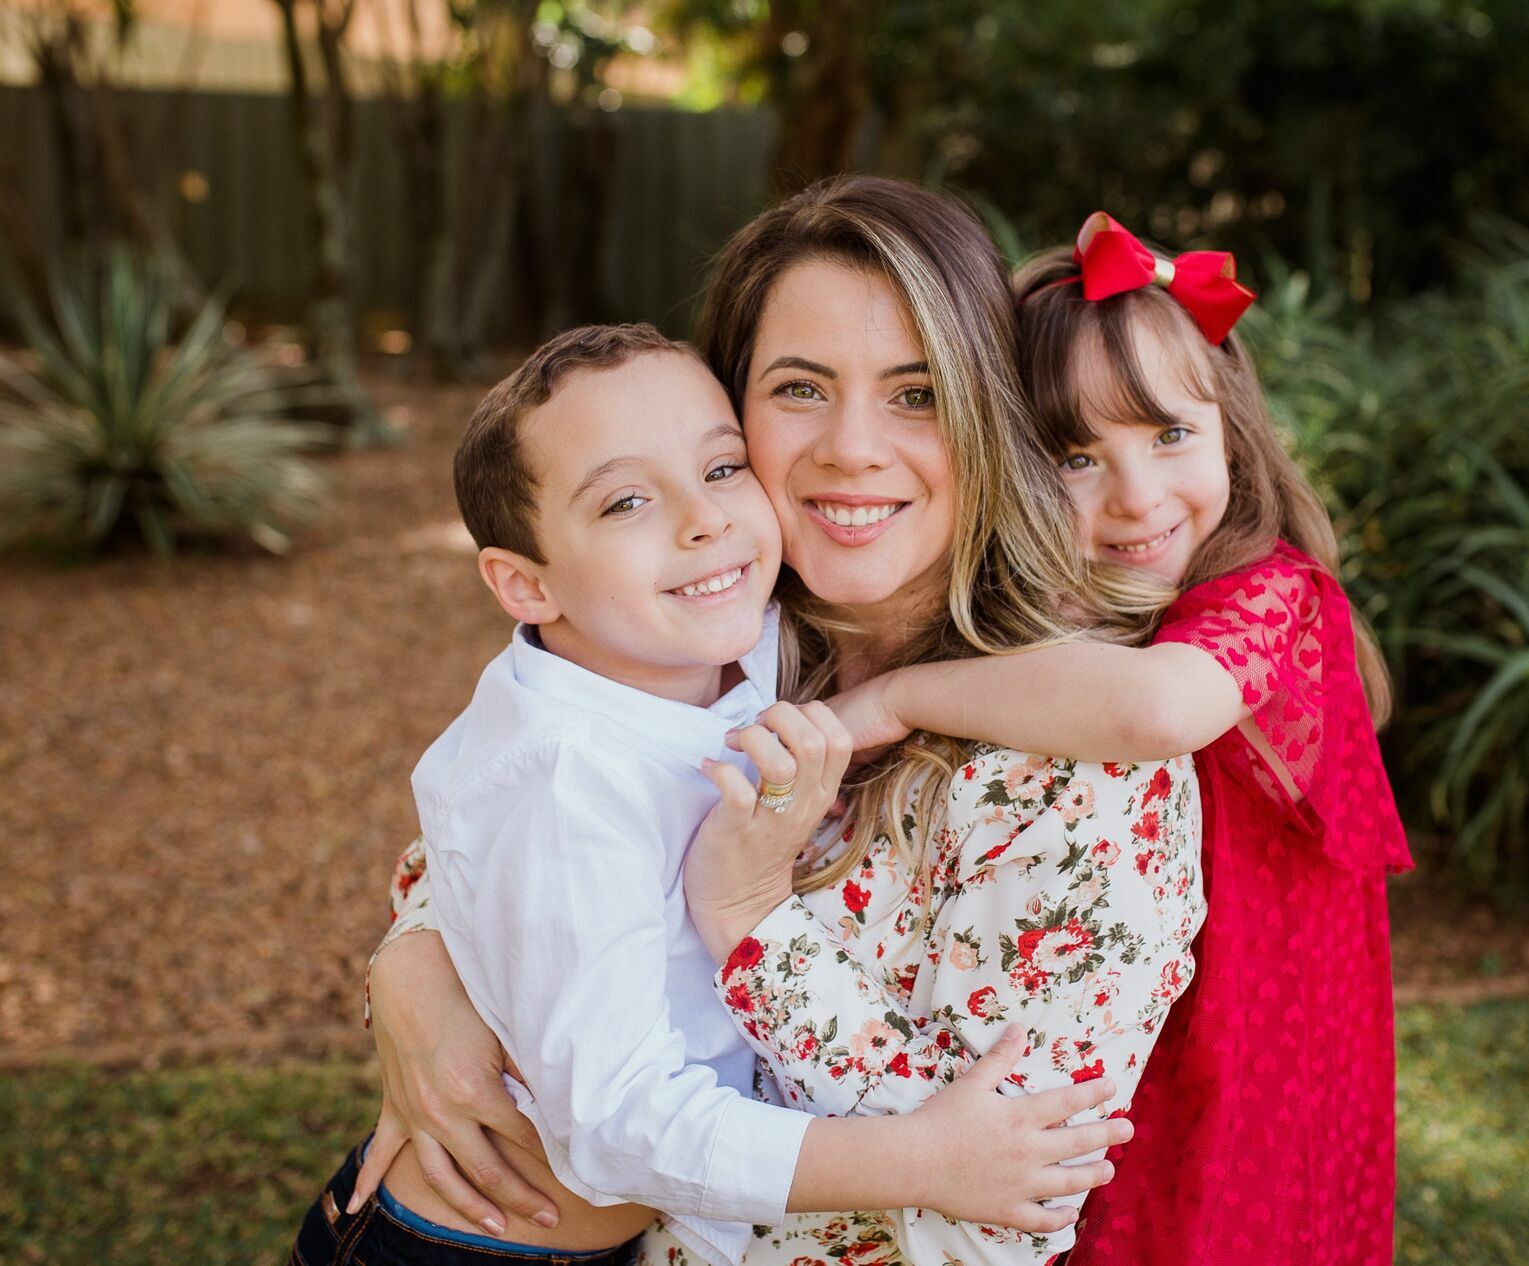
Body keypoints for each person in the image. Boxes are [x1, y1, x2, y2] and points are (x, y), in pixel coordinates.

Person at [352, 179, 1205, 1266]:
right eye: (800, 388)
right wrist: (413, 975)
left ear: (988, 413)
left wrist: (753, 922)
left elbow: (988, 1226)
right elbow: (498, 825)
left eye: (917, 394)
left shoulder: (1081, 771)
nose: (853, 448)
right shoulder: (719, 631)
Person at [826, 212, 1413, 1265]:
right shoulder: (1078, 615)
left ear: (1230, 425)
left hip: (1260, 1037)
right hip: (1132, 1025)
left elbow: (1155, 712)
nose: (1138, 496)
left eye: (1171, 437)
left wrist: (903, 696)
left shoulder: (1273, 592)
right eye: (1076, 456)